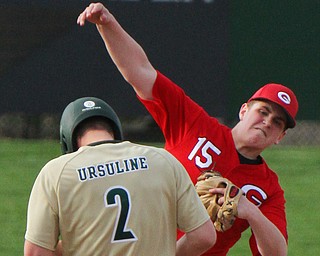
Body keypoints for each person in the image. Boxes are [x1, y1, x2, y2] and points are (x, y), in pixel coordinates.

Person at [77, 3, 299, 256]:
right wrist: (108, 25)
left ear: (280, 137)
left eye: (278, 122)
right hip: (138, 245)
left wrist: (250, 211)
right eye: (263, 111)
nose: (268, 122)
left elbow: (277, 253)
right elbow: (140, 72)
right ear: (244, 110)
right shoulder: (195, 123)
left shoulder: (268, 188)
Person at [24, 96, 216, 256]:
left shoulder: (56, 172)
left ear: (67, 138)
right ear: (114, 129)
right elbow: (204, 236)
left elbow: (35, 253)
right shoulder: (163, 160)